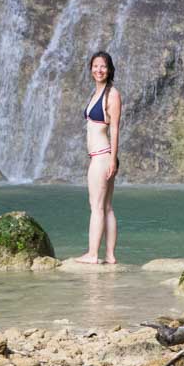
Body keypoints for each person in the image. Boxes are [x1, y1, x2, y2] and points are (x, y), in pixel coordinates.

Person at [75, 51, 120, 264]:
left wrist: (113, 159)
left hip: (103, 157)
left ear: (109, 69)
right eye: (95, 66)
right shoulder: (96, 93)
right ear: (91, 69)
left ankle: (93, 254)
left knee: (97, 206)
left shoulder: (112, 94)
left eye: (103, 66)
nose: (99, 70)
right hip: (99, 156)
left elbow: (116, 129)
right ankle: (110, 256)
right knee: (107, 206)